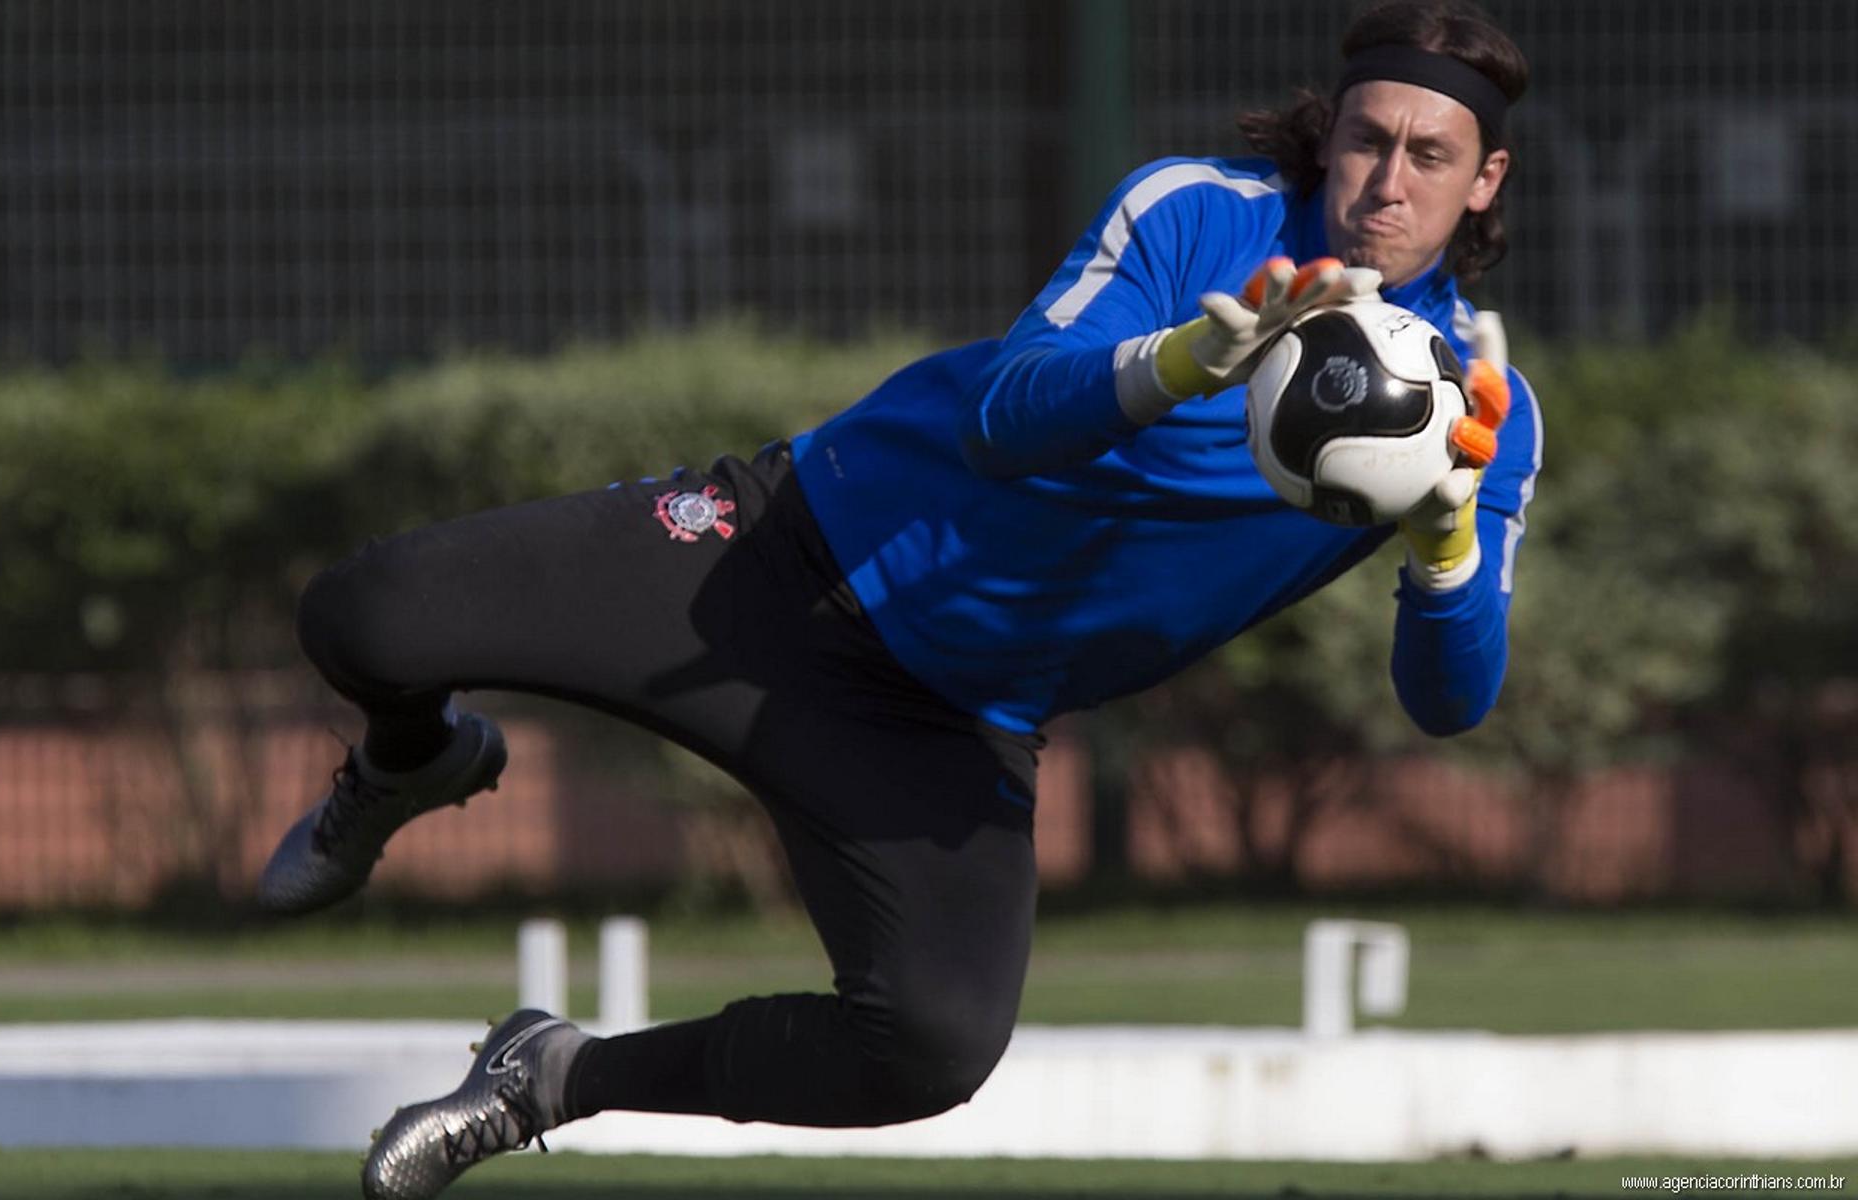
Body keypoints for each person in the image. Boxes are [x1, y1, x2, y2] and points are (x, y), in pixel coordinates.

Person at [256, 2, 1540, 1196]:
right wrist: (1185, 361)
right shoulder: (1199, 216)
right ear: (1332, 139)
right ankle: (412, 762)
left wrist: (1441, 552)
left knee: (927, 1051)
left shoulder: (1483, 410)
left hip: (947, 719)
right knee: (361, 619)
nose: (1388, 178)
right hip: (779, 553)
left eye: (1432, 154)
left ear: (1483, 181)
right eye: (1369, 139)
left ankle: (548, 1079)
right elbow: (1001, 413)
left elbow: (1449, 702)